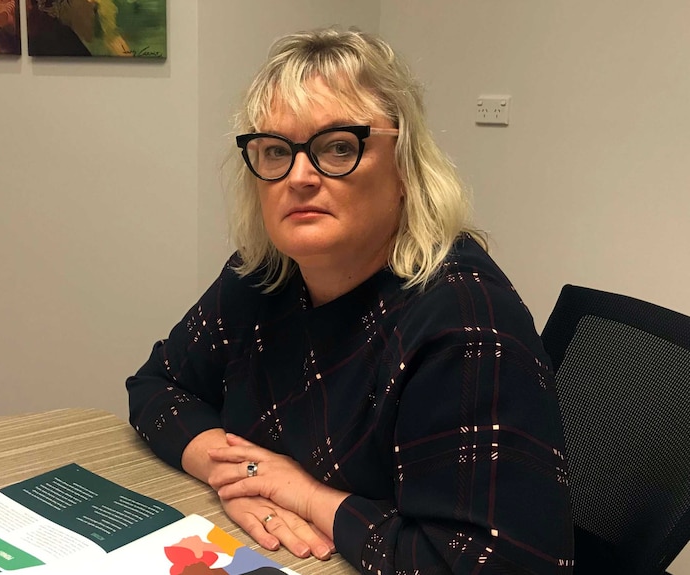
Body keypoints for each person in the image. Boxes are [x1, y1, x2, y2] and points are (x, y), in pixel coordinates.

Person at [126, 27, 574, 574]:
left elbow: (489, 565)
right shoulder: (261, 278)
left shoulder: (463, 321)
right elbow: (155, 385)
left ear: (405, 169)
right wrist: (236, 475)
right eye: (274, 151)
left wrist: (307, 496)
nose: (299, 176)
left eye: (338, 146)